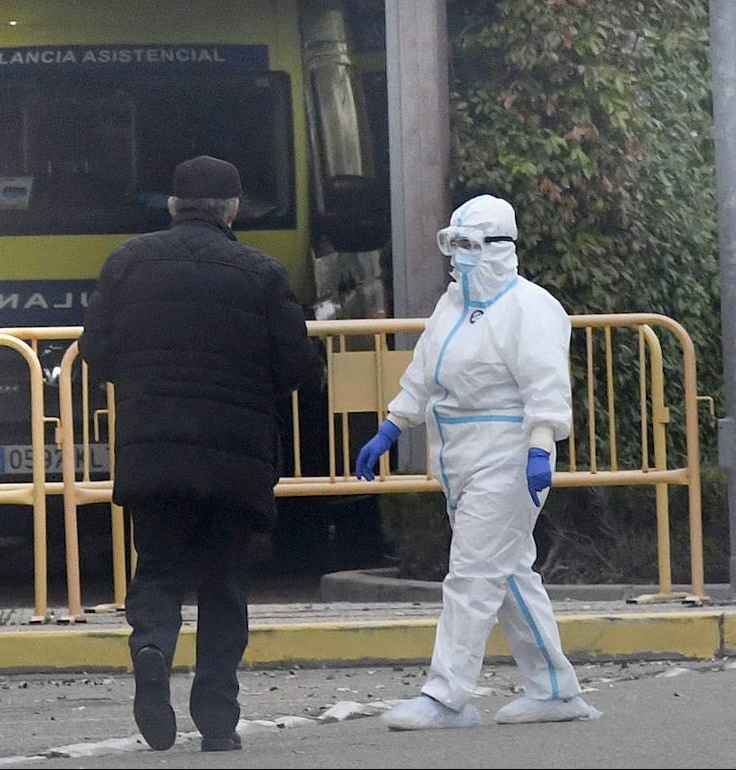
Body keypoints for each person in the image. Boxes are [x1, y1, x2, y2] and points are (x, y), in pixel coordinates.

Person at [78, 155, 320, 752]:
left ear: (171, 205)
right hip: (235, 457)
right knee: (225, 583)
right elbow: (297, 367)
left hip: (154, 449)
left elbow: (96, 353)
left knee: (157, 565)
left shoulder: (127, 264)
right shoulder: (262, 273)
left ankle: (153, 645)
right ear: (234, 208)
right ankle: (217, 719)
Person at [354, 194, 601, 729]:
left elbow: (545, 385)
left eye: (469, 245)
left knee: (471, 574)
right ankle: (555, 690)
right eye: (453, 244)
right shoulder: (452, 307)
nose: (459, 256)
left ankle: (447, 695)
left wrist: (540, 445)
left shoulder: (530, 307)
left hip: (510, 455)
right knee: (508, 572)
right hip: (458, 456)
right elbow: (424, 372)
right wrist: (393, 426)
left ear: (498, 247)